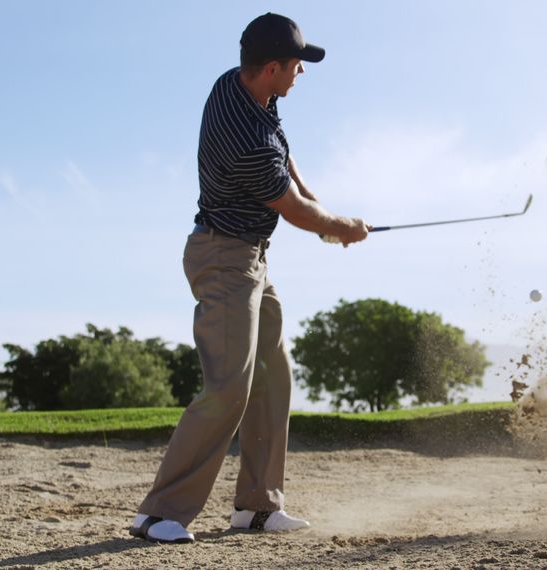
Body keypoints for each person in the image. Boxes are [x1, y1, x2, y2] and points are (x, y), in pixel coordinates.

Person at [129, 13, 369, 544]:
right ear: (271, 68)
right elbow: (293, 209)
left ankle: (257, 506)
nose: (302, 72)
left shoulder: (239, 87)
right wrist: (341, 226)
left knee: (272, 374)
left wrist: (317, 203)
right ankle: (158, 513)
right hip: (224, 259)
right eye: (297, 65)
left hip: (251, 258)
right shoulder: (247, 140)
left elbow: (287, 159)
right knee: (228, 386)